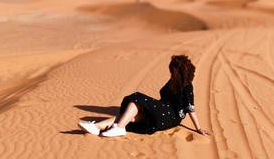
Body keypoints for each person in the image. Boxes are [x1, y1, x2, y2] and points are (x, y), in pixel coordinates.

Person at [78, 54, 211, 138]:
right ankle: (98, 127)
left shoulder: (187, 86)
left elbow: (191, 108)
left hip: (169, 116)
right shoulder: (173, 81)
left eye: (172, 70)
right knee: (129, 115)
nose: (170, 72)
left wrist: (198, 129)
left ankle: (118, 128)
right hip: (161, 111)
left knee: (137, 97)